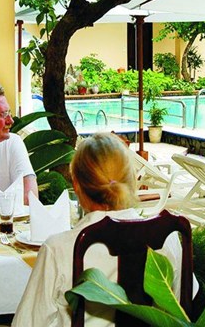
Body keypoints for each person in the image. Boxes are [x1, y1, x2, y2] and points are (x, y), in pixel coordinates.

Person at [12, 132, 195, 327]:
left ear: (77, 185)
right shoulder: (167, 237)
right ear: (132, 180)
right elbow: (180, 309)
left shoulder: (59, 248)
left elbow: (27, 323)